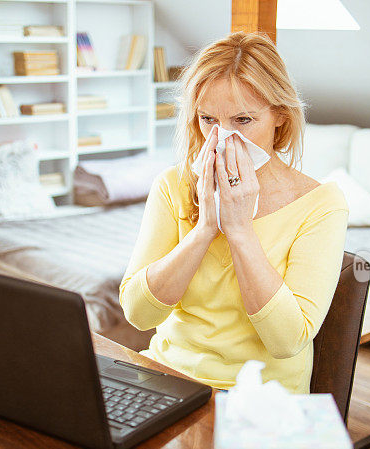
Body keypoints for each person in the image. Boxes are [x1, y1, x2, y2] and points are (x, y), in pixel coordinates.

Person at [118, 31, 349, 394]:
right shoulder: (173, 186)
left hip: (260, 398)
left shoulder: (322, 205)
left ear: (280, 118)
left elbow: (288, 341)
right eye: (209, 119)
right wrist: (205, 228)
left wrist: (239, 230)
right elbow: (139, 314)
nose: (223, 138)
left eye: (243, 120)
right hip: (168, 381)